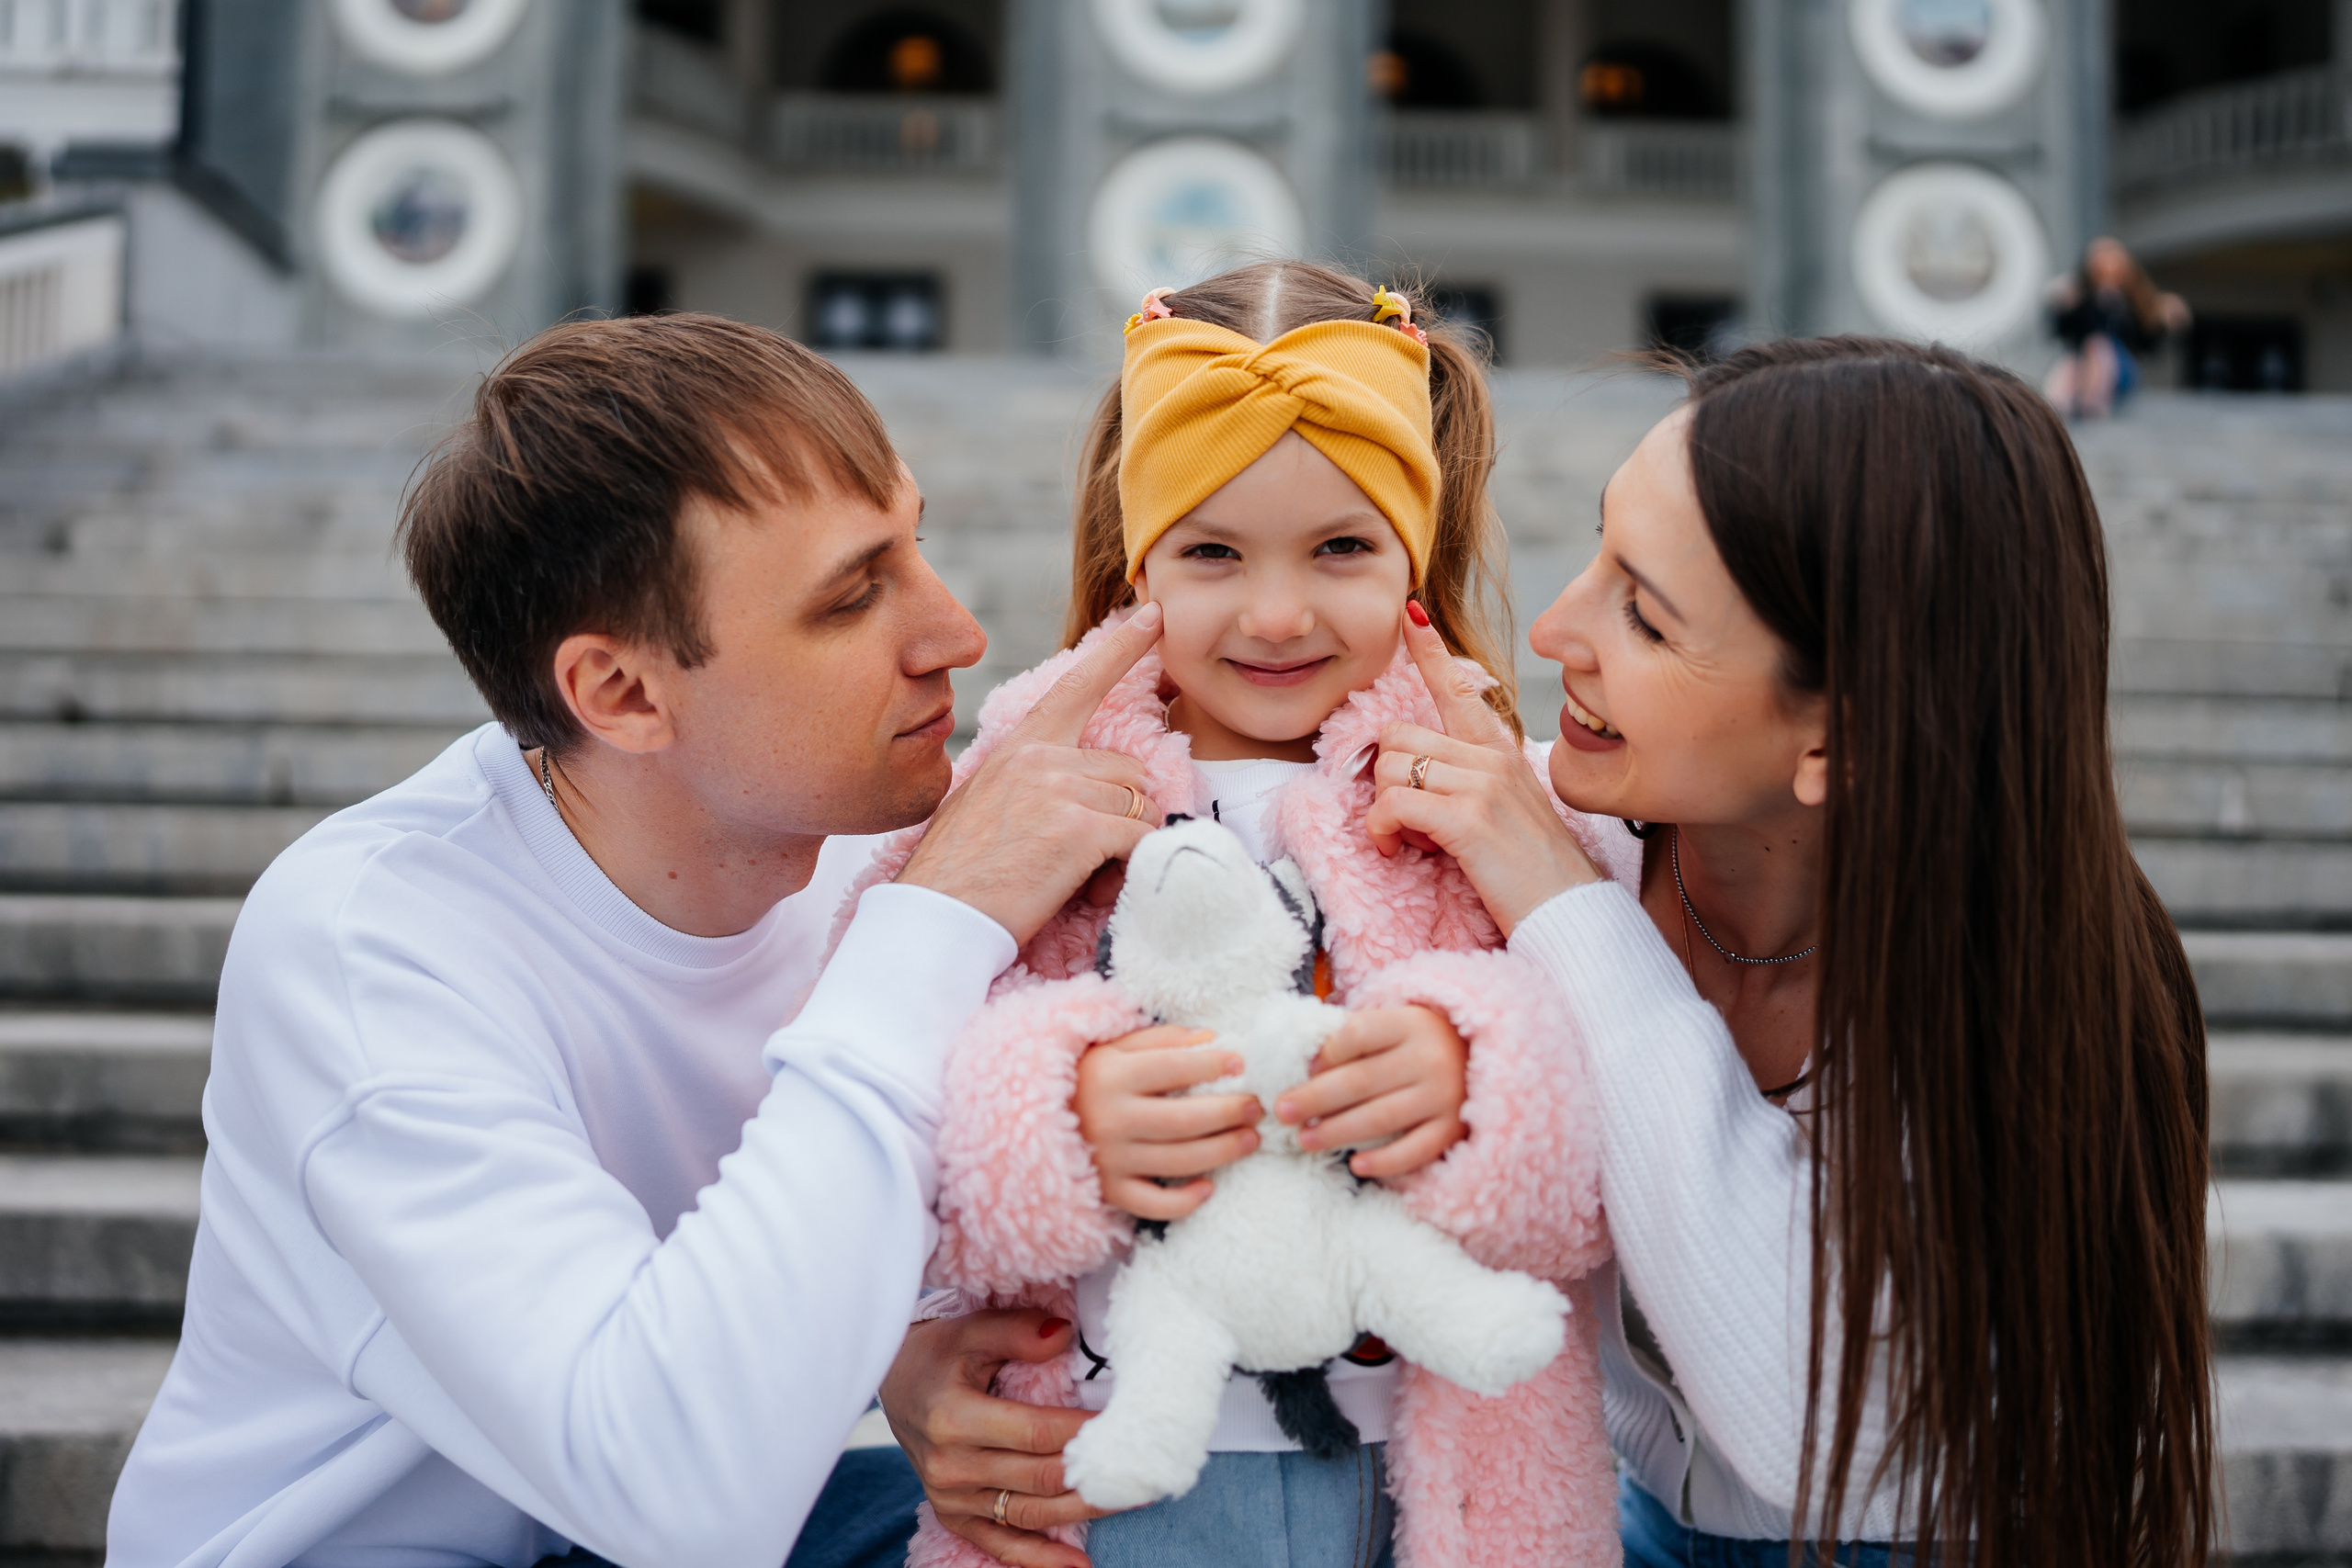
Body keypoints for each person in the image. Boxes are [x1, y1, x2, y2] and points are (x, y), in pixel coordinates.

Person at [886, 335, 2215, 1567]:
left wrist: (1558, 909)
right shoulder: (1559, 821)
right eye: (1597, 554)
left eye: (1644, 614)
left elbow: (1800, 1421)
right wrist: (922, 1348)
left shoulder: (2034, 973)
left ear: (1836, 737)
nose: (1552, 631)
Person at [104, 314, 1175, 1568]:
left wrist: (902, 1358)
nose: (955, 635)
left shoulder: (837, 845)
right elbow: (671, 1492)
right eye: (851, 597)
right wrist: (931, 924)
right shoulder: (370, 946)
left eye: (915, 544)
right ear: (620, 693)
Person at [856, 262, 1616, 1568]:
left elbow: (1620, 1108)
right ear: (1137, 558)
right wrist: (1053, 1112)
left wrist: (1477, 1067)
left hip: (1436, 1478)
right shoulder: (1032, 789)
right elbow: (877, 1087)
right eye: (1212, 551)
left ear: (1414, 557)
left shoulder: (1494, 797)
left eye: (1341, 547)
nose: (1276, 612)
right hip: (1103, 1467)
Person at [2043, 235, 2190, 420]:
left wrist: (2161, 322)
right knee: (2072, 362)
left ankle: (2091, 407)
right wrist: (2061, 307)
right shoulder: (2081, 298)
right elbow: (2063, 334)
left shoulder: (2138, 301)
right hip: (2083, 366)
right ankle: (2058, 410)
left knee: (2098, 345)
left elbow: (2148, 346)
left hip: (2120, 369)